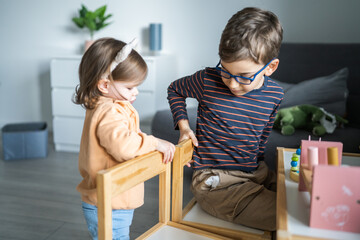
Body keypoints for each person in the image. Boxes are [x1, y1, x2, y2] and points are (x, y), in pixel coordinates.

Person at [167, 7, 283, 231]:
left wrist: (261, 170)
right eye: (226, 71)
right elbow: (175, 90)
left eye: (244, 76)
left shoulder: (275, 95)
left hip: (256, 172)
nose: (232, 84)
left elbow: (262, 138)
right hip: (215, 183)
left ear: (270, 68)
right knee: (289, 216)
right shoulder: (207, 80)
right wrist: (184, 128)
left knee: (302, 197)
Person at [74, 37, 175, 240]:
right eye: (129, 87)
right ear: (104, 85)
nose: (135, 92)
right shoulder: (108, 111)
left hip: (114, 198)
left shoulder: (108, 103)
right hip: (109, 202)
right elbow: (125, 146)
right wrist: (155, 142)